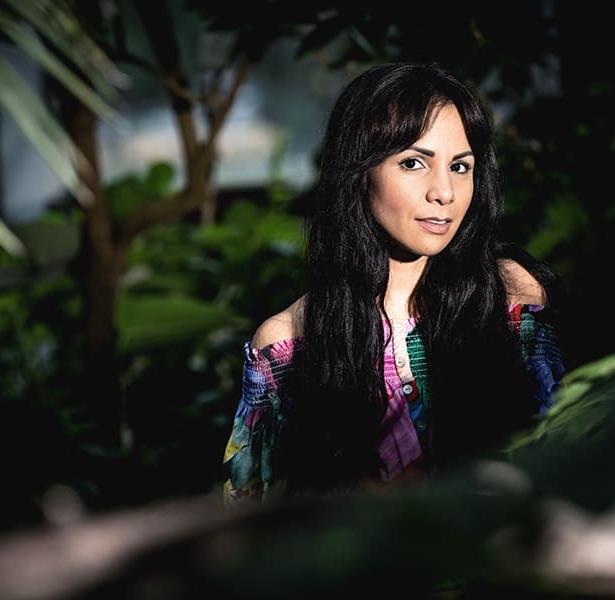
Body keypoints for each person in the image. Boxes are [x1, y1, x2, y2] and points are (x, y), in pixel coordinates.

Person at [222, 61, 566, 505]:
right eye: (413, 163)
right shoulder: (289, 346)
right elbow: (252, 520)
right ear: (359, 171)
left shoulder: (509, 299)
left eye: (460, 167)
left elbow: (569, 462)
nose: (444, 192)